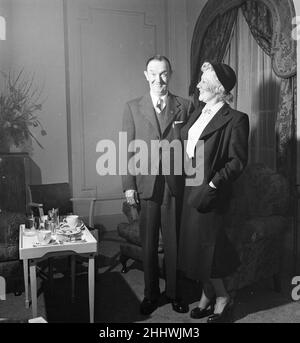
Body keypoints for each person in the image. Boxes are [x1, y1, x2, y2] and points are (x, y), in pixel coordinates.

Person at [178, 61, 249, 323]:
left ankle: (222, 298)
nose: (197, 85)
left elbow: (237, 162)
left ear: (218, 89)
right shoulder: (198, 111)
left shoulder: (237, 119)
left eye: (202, 82)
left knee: (208, 251)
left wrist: (211, 185)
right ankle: (207, 293)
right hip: (188, 189)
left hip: (210, 193)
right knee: (195, 250)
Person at [122, 55, 193, 315]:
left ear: (170, 74)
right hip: (146, 185)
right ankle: (151, 294)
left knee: (174, 243)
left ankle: (174, 293)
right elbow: (125, 149)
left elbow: (192, 148)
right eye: (153, 73)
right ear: (145, 74)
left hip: (174, 186)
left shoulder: (185, 106)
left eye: (163, 74)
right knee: (149, 243)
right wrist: (128, 186)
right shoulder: (132, 107)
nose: (158, 79)